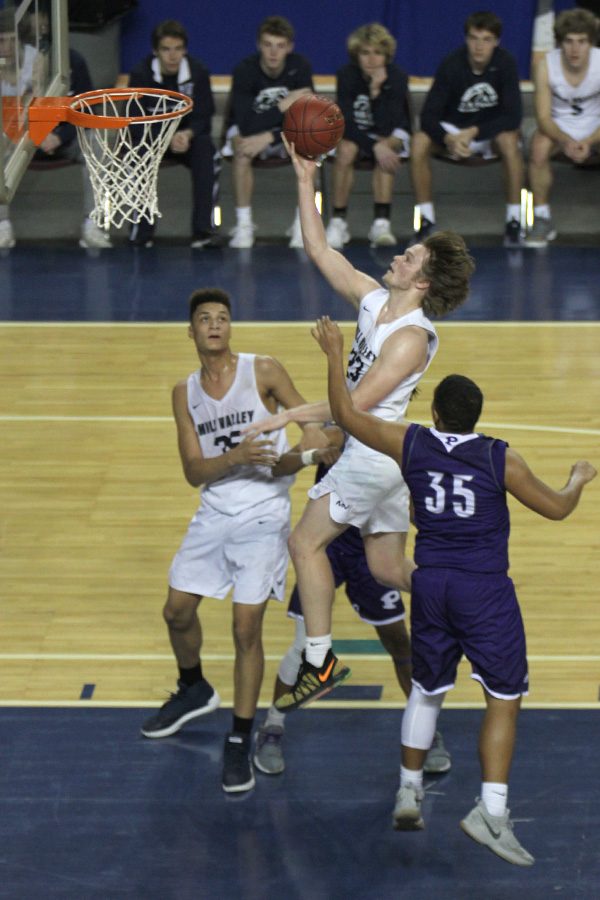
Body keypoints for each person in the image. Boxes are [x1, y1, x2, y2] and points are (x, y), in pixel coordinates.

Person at [313, 316, 596, 866]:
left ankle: (409, 789)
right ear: (476, 417)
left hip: (431, 584)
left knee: (426, 688)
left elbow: (346, 414)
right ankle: (491, 812)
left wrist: (333, 353)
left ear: (436, 413)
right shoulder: (500, 458)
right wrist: (578, 480)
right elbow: (557, 510)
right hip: (483, 589)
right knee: (504, 698)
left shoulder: (412, 442)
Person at [245, 137, 475, 713]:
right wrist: (305, 176)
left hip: (374, 458)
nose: (400, 254)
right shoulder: (374, 301)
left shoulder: (411, 339)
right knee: (386, 566)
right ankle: (467, 600)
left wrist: (286, 413)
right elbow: (321, 249)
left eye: (412, 257)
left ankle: (318, 661)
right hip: (389, 458)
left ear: (423, 283)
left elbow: (349, 410)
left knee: (304, 542)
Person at [140, 287, 326, 794]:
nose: (215, 325)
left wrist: (312, 448)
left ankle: (240, 738)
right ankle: (193, 686)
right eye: (205, 319)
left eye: (223, 317)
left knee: (246, 628)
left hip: (264, 513)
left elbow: (309, 418)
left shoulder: (262, 369)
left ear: (230, 328)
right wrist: (239, 457)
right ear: (192, 332)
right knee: (176, 611)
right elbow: (193, 471)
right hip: (215, 509)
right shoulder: (185, 393)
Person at [253, 426, 451, 776]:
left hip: (373, 551)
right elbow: (278, 467)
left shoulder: (395, 440)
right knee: (303, 648)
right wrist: (311, 456)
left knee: (398, 641)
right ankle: (272, 726)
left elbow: (411, 502)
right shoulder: (333, 433)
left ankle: (427, 732)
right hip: (325, 550)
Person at [409, 11, 525, 248]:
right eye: (474, 38)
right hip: (453, 132)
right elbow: (429, 116)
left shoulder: (506, 63)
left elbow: (513, 116)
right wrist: (448, 138)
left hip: (488, 134)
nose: (479, 46)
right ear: (466, 39)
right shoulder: (451, 64)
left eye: (486, 39)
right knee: (419, 141)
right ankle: (426, 220)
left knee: (510, 140)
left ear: (496, 42)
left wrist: (474, 132)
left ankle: (515, 220)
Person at [0, 8, 105, 250]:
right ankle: (2, 225)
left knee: (96, 142)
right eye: (0, 41)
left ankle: (93, 223)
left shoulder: (38, 61)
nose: (5, 47)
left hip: (59, 138)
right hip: (19, 140)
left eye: (10, 40)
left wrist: (57, 136)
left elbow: (79, 110)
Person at [224, 15, 314, 248]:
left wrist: (269, 136)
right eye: (268, 45)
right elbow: (246, 124)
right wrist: (286, 104)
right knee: (242, 148)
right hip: (250, 130)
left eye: (280, 46)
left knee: (310, 147)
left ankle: (302, 226)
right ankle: (244, 226)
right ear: (258, 45)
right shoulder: (244, 70)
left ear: (290, 47)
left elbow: (304, 118)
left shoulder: (300, 67)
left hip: (284, 132)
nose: (273, 53)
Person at [128, 19, 217, 248]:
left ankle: (203, 231)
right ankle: (141, 233)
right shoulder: (140, 75)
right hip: (151, 141)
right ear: (155, 51)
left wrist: (187, 135)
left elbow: (204, 116)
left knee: (207, 150)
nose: (172, 56)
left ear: (185, 50)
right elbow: (135, 122)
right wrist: (166, 139)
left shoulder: (198, 73)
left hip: (187, 141)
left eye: (178, 49)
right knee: (137, 153)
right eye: (166, 50)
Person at [325, 22, 411, 250]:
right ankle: (338, 221)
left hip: (391, 133)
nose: (371, 59)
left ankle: (381, 223)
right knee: (346, 150)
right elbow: (343, 121)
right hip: (355, 134)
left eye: (377, 53)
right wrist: (374, 145)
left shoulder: (397, 77)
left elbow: (390, 125)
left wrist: (376, 90)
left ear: (386, 55)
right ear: (356, 55)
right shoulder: (347, 75)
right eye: (365, 53)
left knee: (387, 146)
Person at [526, 8, 600, 248]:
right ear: (560, 43)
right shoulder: (546, 65)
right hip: (558, 127)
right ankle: (542, 218)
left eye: (581, 42)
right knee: (538, 147)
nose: (575, 49)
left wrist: (588, 141)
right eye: (568, 41)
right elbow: (543, 117)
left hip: (595, 126)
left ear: (591, 42)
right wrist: (567, 140)